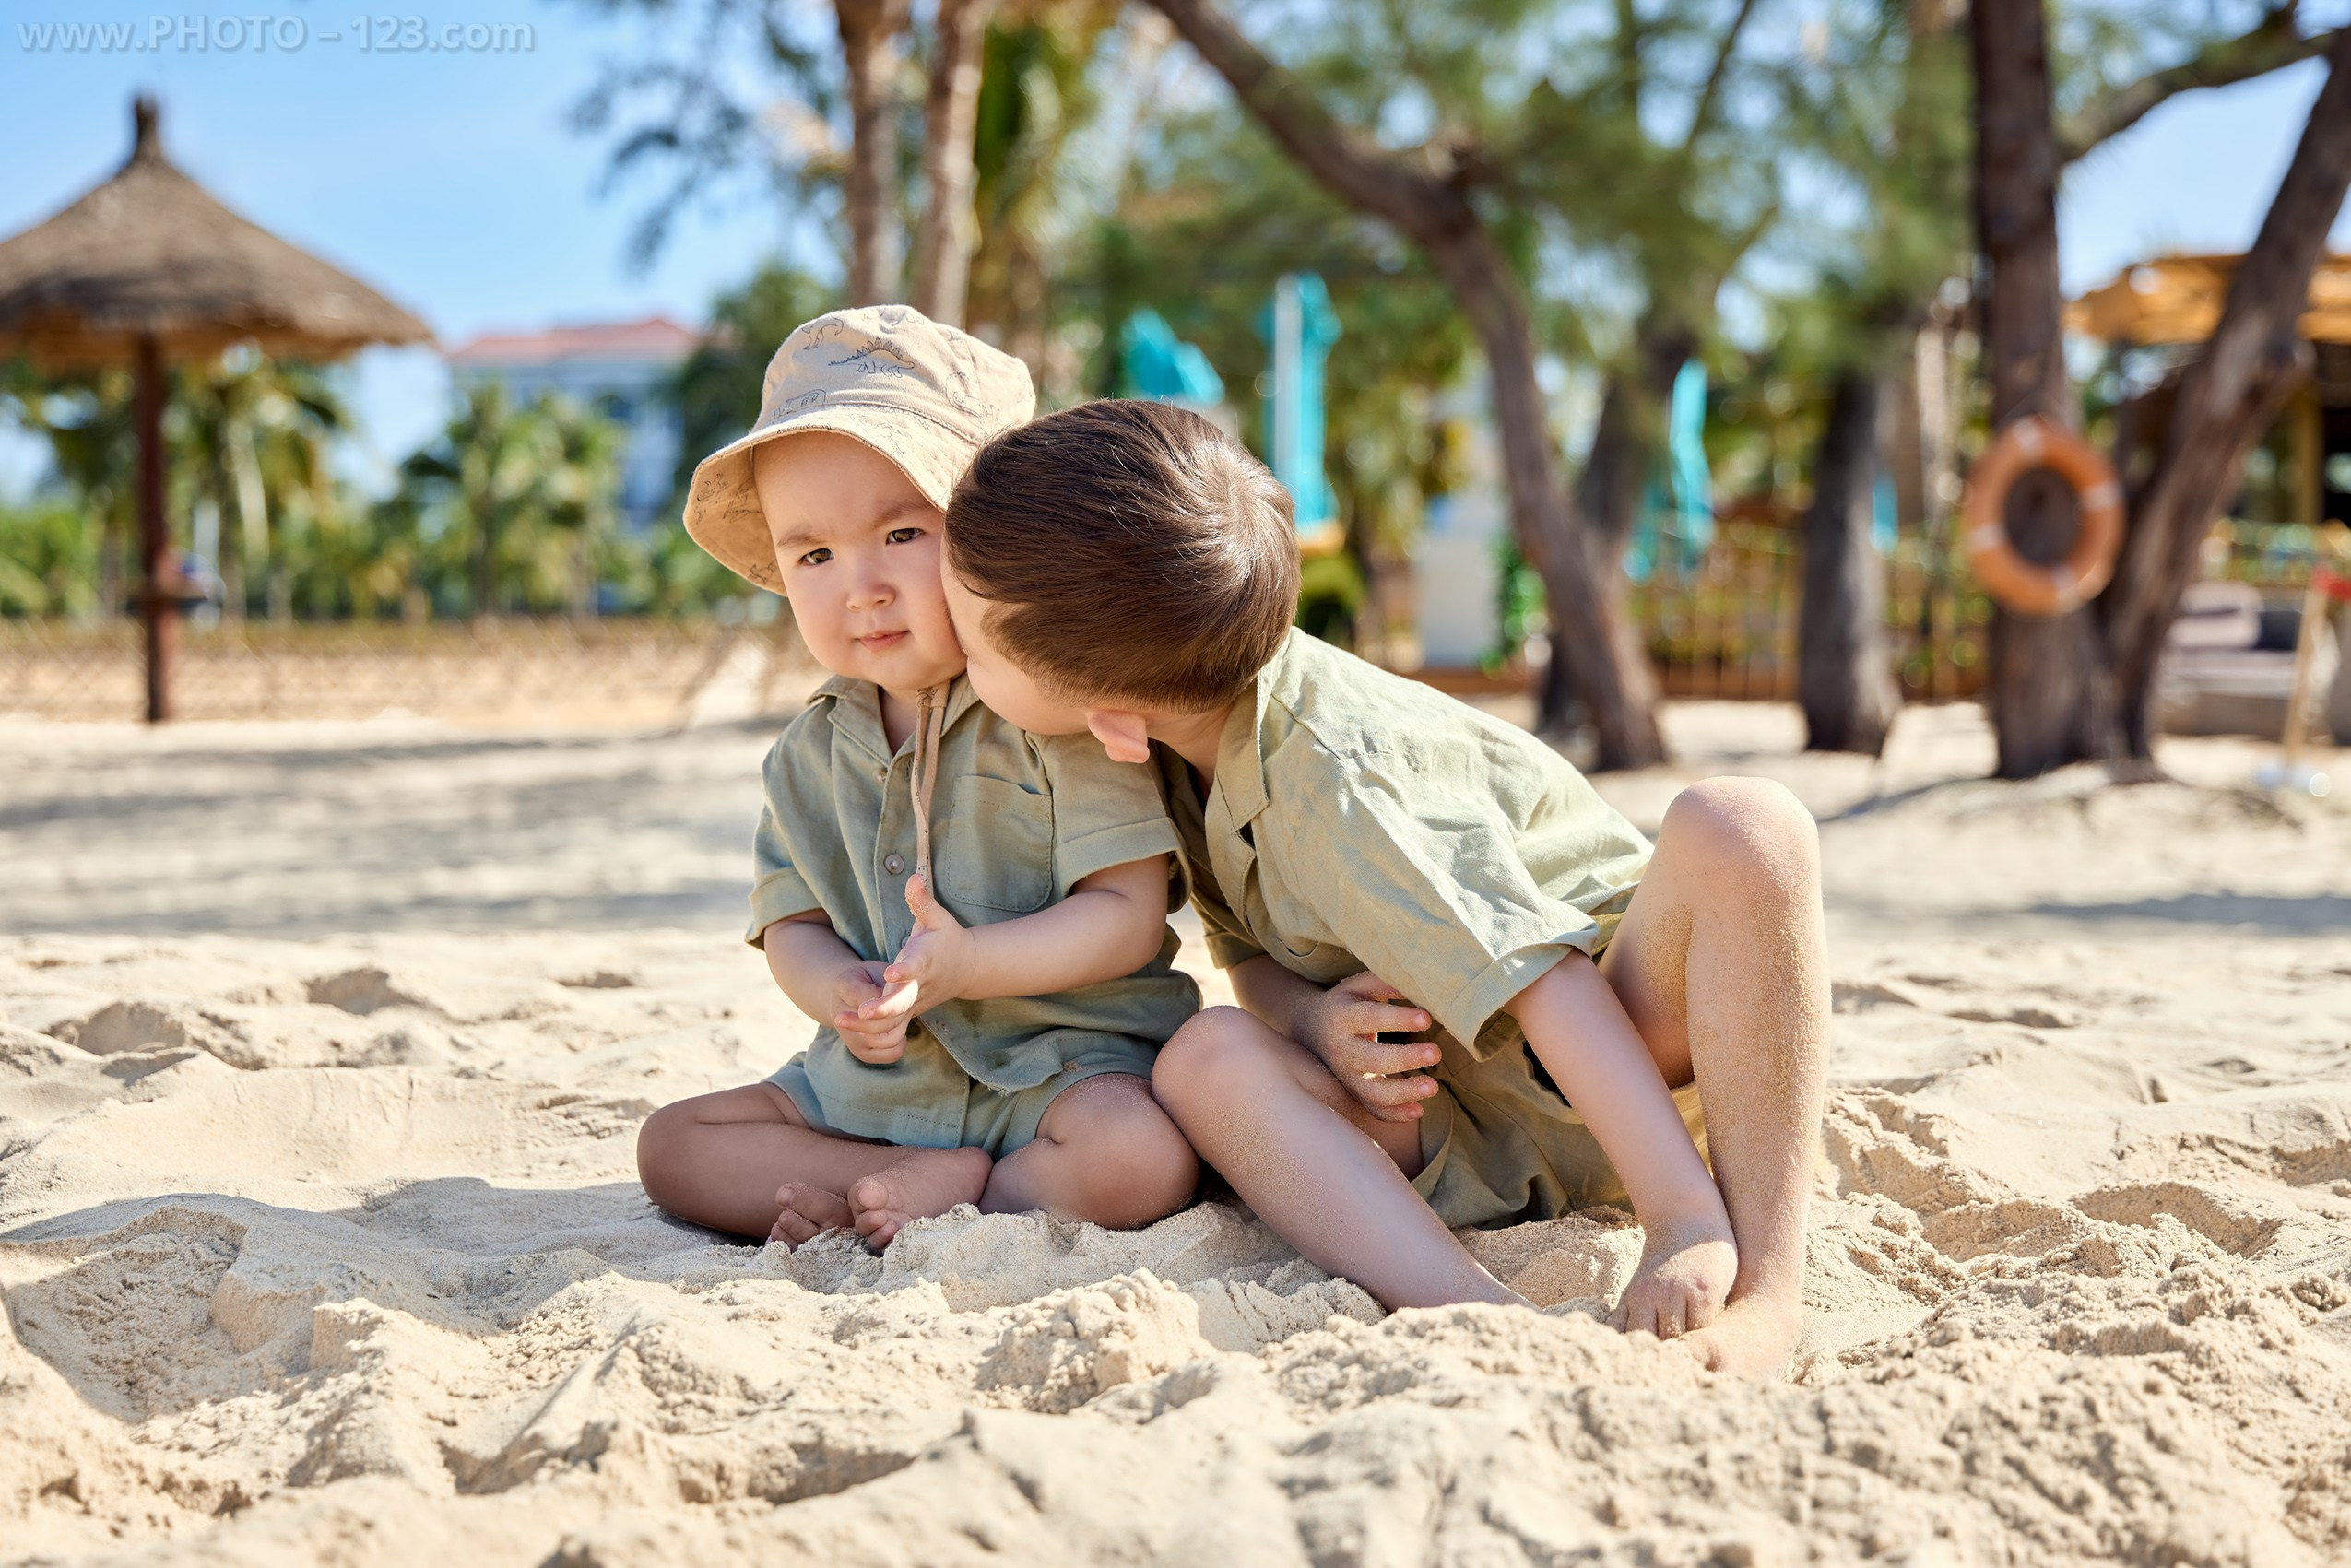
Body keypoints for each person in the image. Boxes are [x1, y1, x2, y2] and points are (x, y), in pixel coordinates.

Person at [939, 398, 1830, 1375]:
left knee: (1745, 825)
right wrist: (1315, 1022)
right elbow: (1251, 956)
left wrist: (1678, 1214)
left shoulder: (1340, 775)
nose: (958, 656)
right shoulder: (1172, 740)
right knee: (1203, 1060)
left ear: (1111, 715)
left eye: (976, 648)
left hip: (1626, 1051)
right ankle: (1478, 1311)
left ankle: (1766, 1288)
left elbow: (1547, 980)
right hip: (1457, 1111)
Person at [635, 311, 1199, 1250]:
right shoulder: (806, 754)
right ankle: (892, 1185)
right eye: (813, 554)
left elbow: (1129, 913)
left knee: (1141, 1159)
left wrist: (974, 964)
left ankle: (959, 1188)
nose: (860, 585)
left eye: (901, 534)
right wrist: (840, 997)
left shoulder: (1060, 712)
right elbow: (793, 924)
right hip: (876, 1090)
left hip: (1060, 1068)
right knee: (675, 1147)